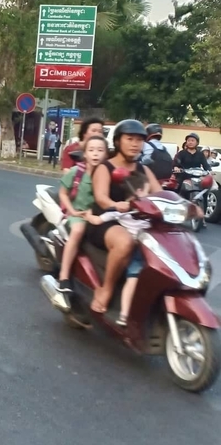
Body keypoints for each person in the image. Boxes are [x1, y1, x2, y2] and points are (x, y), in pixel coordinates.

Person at [86, 119, 162, 314]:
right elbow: (101, 198)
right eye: (130, 139)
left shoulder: (143, 169)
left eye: (139, 140)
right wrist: (115, 205)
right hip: (105, 221)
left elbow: (160, 194)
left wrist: (186, 206)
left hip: (136, 222)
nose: (135, 144)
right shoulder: (105, 167)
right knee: (125, 242)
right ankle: (106, 289)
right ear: (118, 141)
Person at [56, 134, 108, 296]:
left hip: (98, 216)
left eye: (100, 150)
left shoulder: (108, 175)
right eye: (91, 150)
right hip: (78, 215)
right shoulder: (77, 171)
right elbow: (63, 193)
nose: (95, 154)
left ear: (106, 154)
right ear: (85, 153)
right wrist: (72, 211)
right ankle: (63, 277)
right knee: (78, 231)